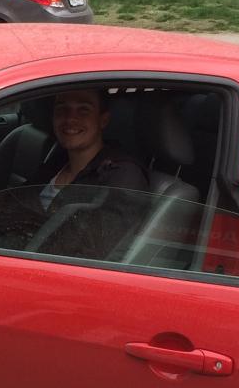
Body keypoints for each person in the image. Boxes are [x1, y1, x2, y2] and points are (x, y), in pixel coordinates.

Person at [29, 88, 149, 260]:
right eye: (62, 109)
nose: (70, 119)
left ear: (103, 120)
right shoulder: (56, 161)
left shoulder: (122, 176)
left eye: (83, 110)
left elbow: (92, 252)